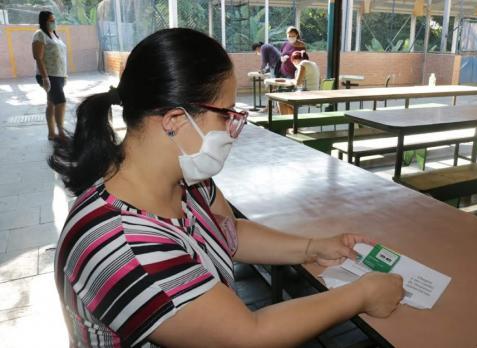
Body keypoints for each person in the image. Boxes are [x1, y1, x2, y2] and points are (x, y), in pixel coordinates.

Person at [50, 28, 403, 347]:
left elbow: (226, 233)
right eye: (226, 114)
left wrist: (314, 248)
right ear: (174, 120)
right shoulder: (121, 246)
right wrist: (361, 296)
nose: (232, 129)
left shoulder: (187, 181)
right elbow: (247, 334)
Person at [32, 11, 67, 141]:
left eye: (54, 20)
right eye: (51, 20)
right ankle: (61, 133)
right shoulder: (39, 35)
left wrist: (64, 76)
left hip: (58, 75)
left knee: (51, 103)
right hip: (49, 75)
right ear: (44, 21)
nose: (54, 22)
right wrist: (45, 78)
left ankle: (52, 133)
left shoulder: (54, 35)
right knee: (61, 102)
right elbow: (38, 57)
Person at [278, 50, 321, 115]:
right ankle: (293, 122)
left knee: (280, 101)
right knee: (286, 102)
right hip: (316, 94)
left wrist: (291, 81)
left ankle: (291, 123)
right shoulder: (314, 64)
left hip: (307, 95)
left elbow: (298, 83)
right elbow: (319, 80)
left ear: (295, 60)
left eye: (293, 62)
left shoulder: (302, 64)